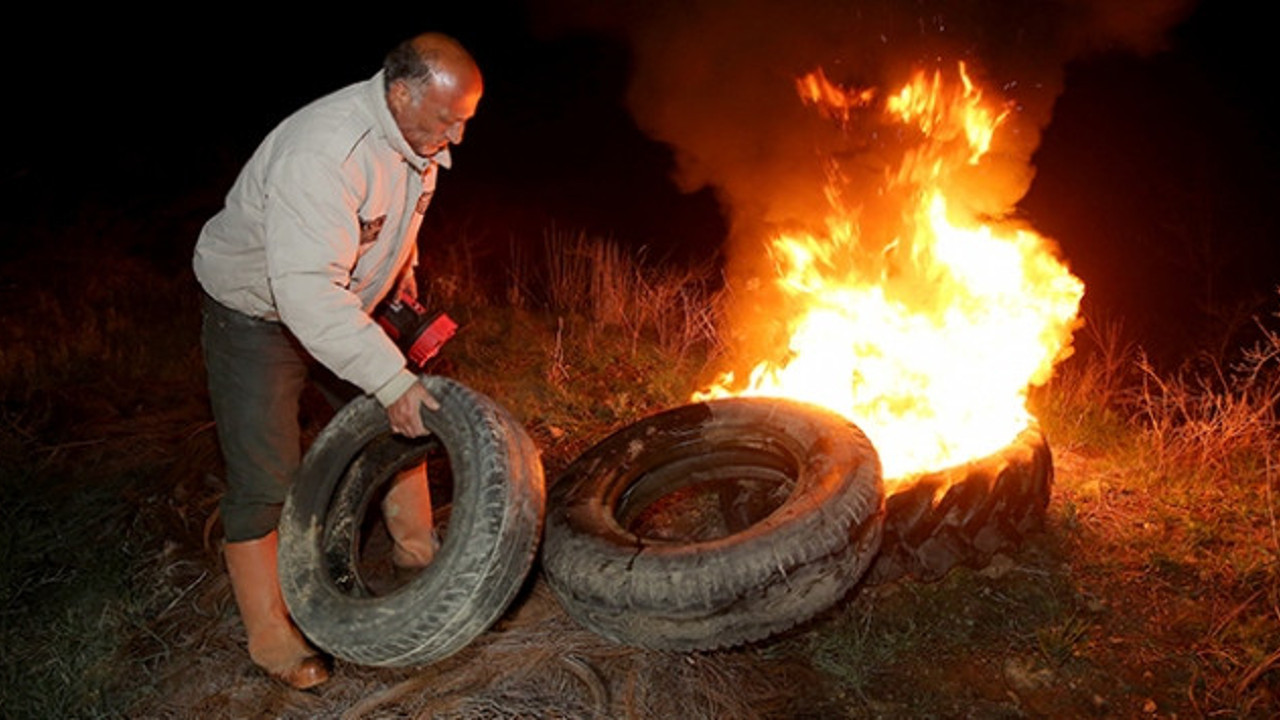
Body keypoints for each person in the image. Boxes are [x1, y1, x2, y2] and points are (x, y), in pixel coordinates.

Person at [192, 32, 483, 689]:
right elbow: (304, 293)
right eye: (448, 121)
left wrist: (403, 267)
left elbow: (396, 213)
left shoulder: (417, 133)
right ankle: (272, 638)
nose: (456, 138)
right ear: (400, 93)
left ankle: (419, 556)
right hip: (258, 314)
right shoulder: (325, 153)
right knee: (267, 479)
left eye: (465, 121)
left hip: (343, 297)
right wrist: (387, 376)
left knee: (399, 416)